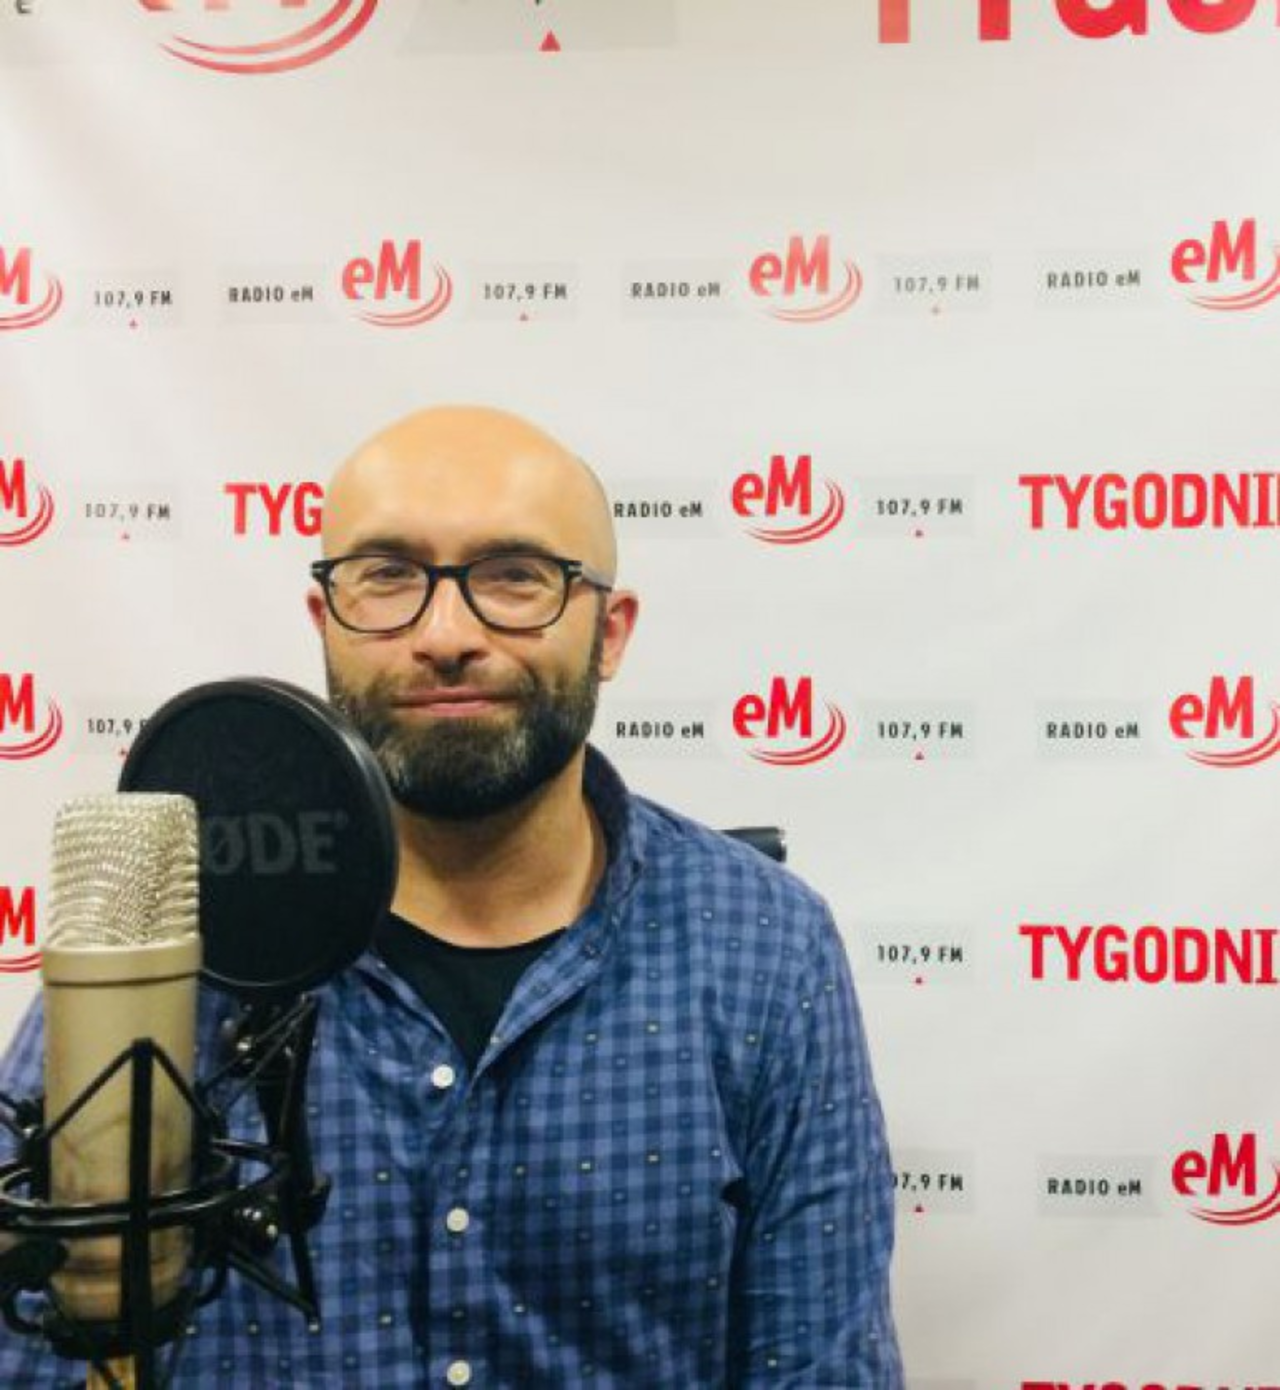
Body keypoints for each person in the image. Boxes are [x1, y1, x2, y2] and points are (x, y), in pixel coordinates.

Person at [0, 405, 903, 1387]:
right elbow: (29, 1347)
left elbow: (821, 1367)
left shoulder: (763, 945)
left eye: (514, 575)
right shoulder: (181, 927)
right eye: (387, 575)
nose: (443, 635)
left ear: (609, 633)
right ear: (326, 624)